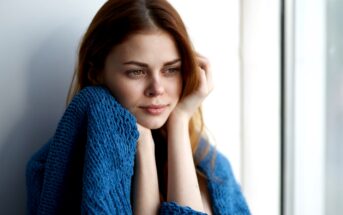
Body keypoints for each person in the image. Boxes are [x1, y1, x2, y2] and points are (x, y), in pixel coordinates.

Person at [26, 0, 250, 214]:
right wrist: (143, 145)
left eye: (170, 69)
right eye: (136, 72)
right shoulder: (53, 171)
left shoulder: (212, 166)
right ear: (96, 73)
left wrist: (180, 120)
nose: (157, 89)